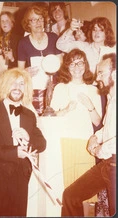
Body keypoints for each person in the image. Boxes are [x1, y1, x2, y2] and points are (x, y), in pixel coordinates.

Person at [0, 68, 46, 216]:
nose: (17, 87)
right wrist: (14, 153)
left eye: (21, 84)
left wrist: (28, 138)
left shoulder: (29, 115)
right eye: (12, 83)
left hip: (20, 180)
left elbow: (42, 143)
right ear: (4, 85)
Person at [61, 53, 116, 216]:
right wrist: (95, 137)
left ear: (114, 74)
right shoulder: (111, 99)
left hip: (114, 162)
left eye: (101, 73)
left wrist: (100, 150)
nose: (97, 77)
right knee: (71, 196)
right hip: (108, 164)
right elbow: (107, 128)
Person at [50, 49, 102, 191]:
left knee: (85, 191)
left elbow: (98, 122)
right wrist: (66, 110)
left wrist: (90, 106)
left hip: (85, 142)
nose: (76, 67)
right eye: (72, 64)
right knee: (65, 188)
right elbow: (51, 117)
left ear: (85, 65)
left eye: (80, 63)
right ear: (67, 67)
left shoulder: (93, 90)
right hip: (64, 141)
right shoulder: (60, 88)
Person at [18, 4, 62, 116]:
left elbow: (61, 64)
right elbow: (19, 71)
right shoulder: (23, 43)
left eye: (40, 18)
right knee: (37, 121)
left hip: (54, 87)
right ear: (28, 23)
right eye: (33, 20)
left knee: (55, 119)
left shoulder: (53, 38)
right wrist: (25, 72)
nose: (38, 22)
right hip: (34, 89)